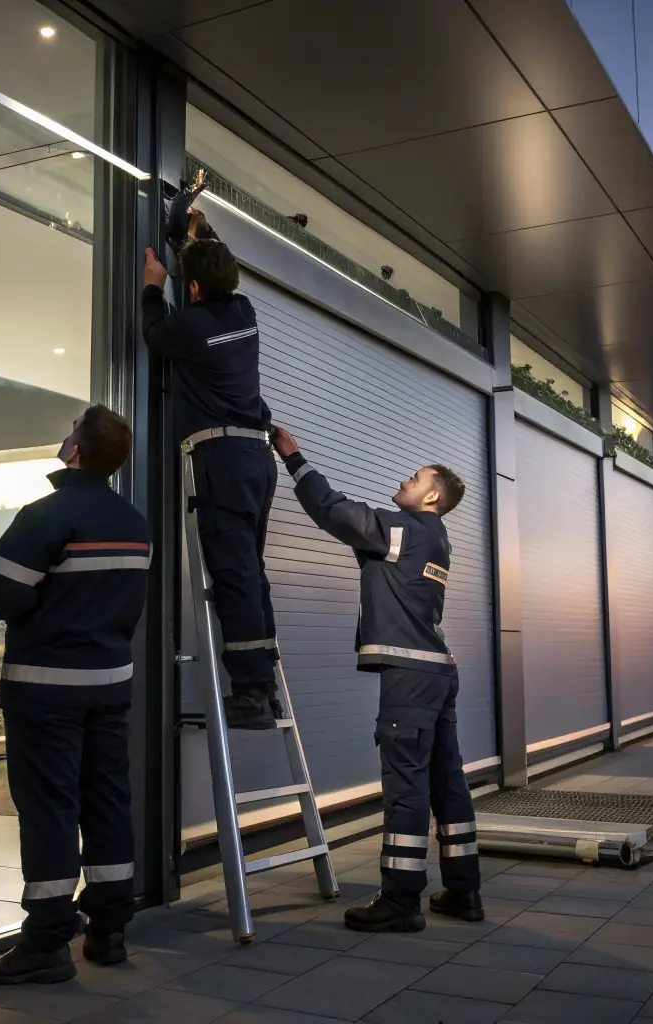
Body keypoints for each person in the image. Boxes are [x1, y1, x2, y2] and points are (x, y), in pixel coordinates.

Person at [269, 426, 483, 933]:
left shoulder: (406, 529)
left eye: (415, 478)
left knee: (406, 785)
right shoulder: (437, 540)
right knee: (445, 781)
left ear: (432, 495)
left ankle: (401, 901)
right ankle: (462, 890)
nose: (404, 481)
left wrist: (293, 458)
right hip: (437, 672)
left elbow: (334, 511)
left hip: (409, 677)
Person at [0, 405, 151, 985]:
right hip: (109, 685)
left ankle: (47, 942)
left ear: (73, 451)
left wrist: (44, 614)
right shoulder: (133, 520)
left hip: (46, 690)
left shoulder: (47, 514)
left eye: (70, 431)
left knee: (50, 808)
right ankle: (109, 930)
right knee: (107, 802)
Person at [141, 170, 279, 730]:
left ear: (189, 288)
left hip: (222, 461)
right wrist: (190, 228)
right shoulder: (242, 313)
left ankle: (249, 691)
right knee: (249, 571)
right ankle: (262, 680)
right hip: (255, 460)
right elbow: (206, 268)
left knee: (235, 575)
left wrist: (152, 284)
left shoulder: (188, 327)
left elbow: (153, 333)